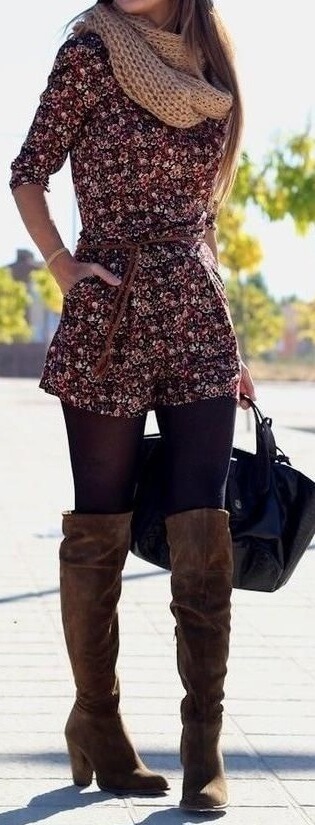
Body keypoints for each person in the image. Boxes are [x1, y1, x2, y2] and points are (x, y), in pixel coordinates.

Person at [10, 0, 256, 812]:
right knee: (100, 520)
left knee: (203, 522)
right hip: (109, 308)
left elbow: (207, 217)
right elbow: (28, 171)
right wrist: (61, 265)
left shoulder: (207, 69)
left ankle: (202, 745)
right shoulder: (87, 53)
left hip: (195, 312)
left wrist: (237, 351)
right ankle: (99, 722)